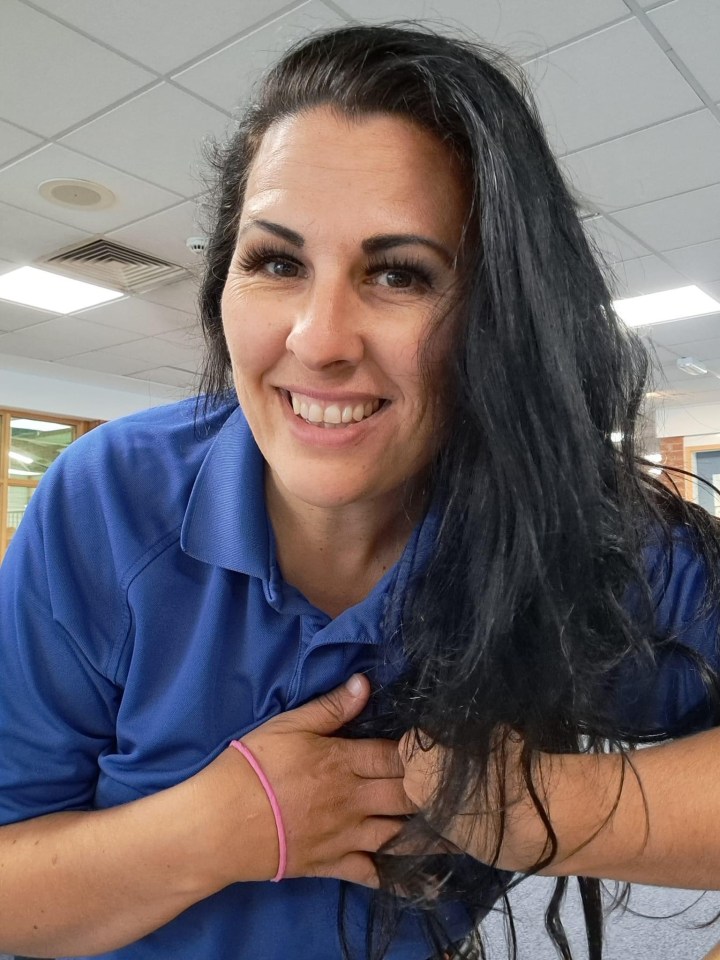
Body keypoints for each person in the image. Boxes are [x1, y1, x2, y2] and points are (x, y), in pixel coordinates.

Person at [1, 21, 719, 960]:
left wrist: (535, 807)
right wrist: (218, 832)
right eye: (277, 261)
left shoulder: (566, 533)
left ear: (497, 321)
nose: (320, 338)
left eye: (399, 273)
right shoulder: (111, 497)